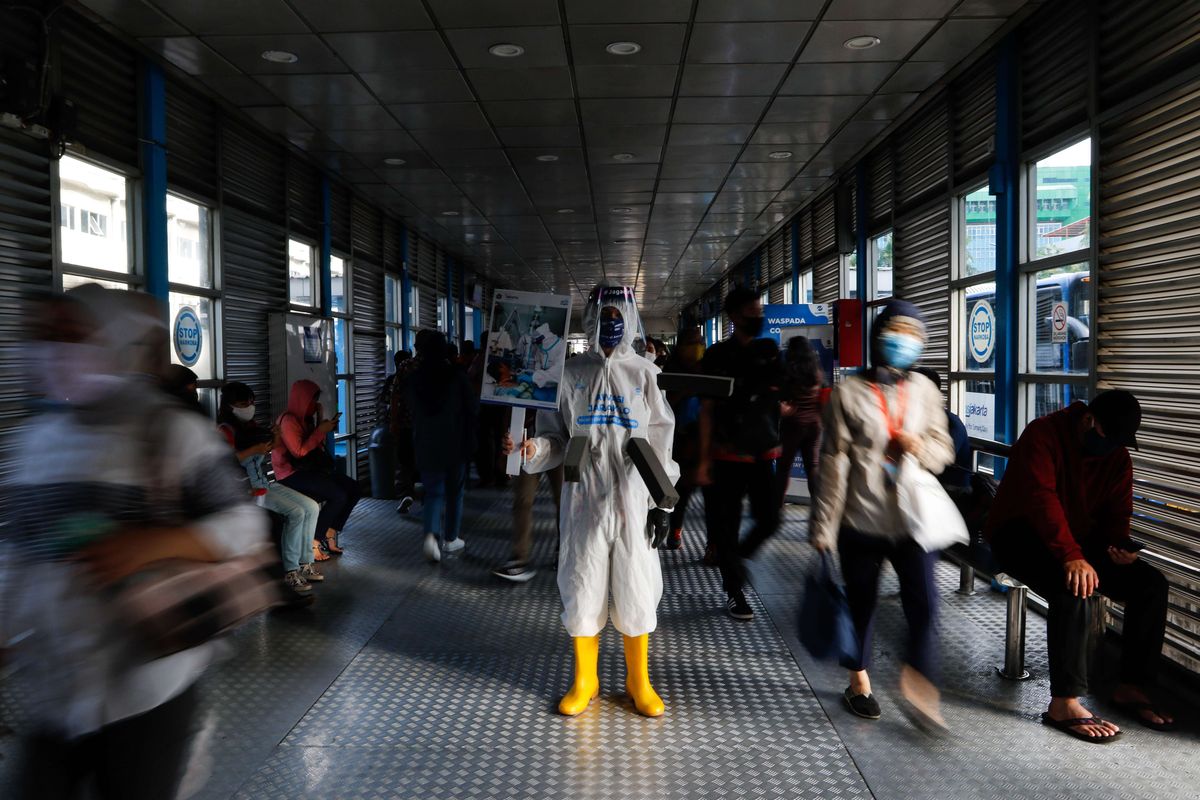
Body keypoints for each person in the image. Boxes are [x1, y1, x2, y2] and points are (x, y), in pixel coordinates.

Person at [4, 286, 266, 799]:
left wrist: (154, 544)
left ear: (112, 341)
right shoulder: (32, 444)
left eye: (72, 335)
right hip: (56, 688)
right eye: (45, 335)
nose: (54, 350)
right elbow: (14, 553)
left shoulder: (169, 432)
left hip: (149, 683)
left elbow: (244, 526)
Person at [510, 284, 678, 717]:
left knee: (636, 585)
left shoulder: (645, 374)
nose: (610, 325)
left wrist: (664, 503)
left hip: (633, 495)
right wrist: (534, 452)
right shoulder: (569, 374)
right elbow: (555, 438)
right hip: (582, 496)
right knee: (581, 582)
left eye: (617, 317)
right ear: (590, 321)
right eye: (604, 316)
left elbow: (661, 442)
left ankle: (638, 679)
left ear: (630, 321)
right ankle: (585, 678)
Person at [987, 390, 1174, 742]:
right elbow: (1041, 499)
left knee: (1151, 585)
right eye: (1109, 437)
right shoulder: (1042, 434)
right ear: (1089, 420)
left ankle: (1131, 686)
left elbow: (1118, 510)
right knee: (1071, 585)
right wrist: (1071, 555)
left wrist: (1117, 545)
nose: (1114, 447)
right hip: (1020, 534)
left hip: (1076, 540)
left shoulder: (1116, 453)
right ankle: (1064, 702)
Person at [810, 299, 955, 730]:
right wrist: (823, 527)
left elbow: (944, 450)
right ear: (878, 336)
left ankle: (920, 683)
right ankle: (859, 682)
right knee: (861, 606)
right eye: (897, 331)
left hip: (912, 521)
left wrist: (918, 446)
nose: (905, 341)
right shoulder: (849, 393)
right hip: (862, 518)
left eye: (914, 334)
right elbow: (832, 462)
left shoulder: (926, 392)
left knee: (925, 605)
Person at [695, 287, 785, 621]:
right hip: (725, 457)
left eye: (760, 310)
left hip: (763, 455)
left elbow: (783, 394)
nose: (758, 316)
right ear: (733, 316)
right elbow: (706, 410)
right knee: (724, 529)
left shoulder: (769, 350)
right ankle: (735, 592)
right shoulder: (717, 356)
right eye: (751, 311)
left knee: (771, 519)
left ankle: (737, 557)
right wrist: (703, 462)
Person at [217, 381, 324, 592]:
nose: (249, 406)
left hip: (265, 482)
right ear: (229, 406)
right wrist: (254, 449)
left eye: (250, 402)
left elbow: (270, 447)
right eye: (242, 403)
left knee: (312, 507)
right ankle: (290, 570)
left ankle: (305, 563)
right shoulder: (224, 431)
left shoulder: (250, 426)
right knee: (295, 513)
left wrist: (274, 437)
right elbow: (225, 461)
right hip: (248, 490)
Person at [408, 329, 478, 563]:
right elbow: (472, 408)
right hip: (455, 443)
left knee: (433, 491)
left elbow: (412, 411)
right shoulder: (457, 376)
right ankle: (450, 539)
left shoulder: (415, 378)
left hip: (426, 444)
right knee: (455, 493)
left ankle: (430, 536)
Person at [273, 379, 362, 560]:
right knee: (338, 495)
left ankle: (329, 534)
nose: (315, 404)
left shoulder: (305, 420)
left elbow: (316, 449)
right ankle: (314, 541)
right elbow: (299, 453)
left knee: (353, 488)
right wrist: (320, 430)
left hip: (308, 471)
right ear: (302, 400)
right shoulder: (288, 420)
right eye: (313, 401)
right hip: (290, 474)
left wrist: (320, 421)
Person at [492, 408, 565, 582]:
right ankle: (519, 558)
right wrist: (506, 455)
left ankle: (563, 549)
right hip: (522, 443)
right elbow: (508, 413)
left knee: (563, 500)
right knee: (522, 501)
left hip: (559, 441)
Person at [661, 326, 706, 551]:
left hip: (705, 438)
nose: (696, 347)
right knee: (681, 489)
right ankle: (674, 530)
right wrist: (688, 389)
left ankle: (714, 544)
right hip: (677, 438)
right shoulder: (671, 369)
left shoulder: (708, 367)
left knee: (710, 493)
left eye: (699, 341)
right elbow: (664, 404)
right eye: (691, 342)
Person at [778, 336, 825, 508]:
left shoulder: (789, 372)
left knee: (784, 467)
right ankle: (818, 507)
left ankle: (777, 507)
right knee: (812, 466)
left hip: (793, 424)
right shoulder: (817, 372)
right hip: (814, 425)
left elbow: (783, 397)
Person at [912, 367, 972, 491]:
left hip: (953, 488)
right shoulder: (921, 420)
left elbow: (938, 462)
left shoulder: (951, 423)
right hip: (933, 484)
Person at [386, 350, 419, 512]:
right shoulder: (444, 365)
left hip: (407, 423)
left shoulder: (407, 366)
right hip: (432, 426)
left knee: (405, 461)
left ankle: (407, 492)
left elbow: (394, 396)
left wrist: (393, 421)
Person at [525, 322, 566, 402]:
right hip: (541, 382)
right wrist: (535, 372)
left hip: (554, 386)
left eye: (537, 342)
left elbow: (556, 373)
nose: (537, 345)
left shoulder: (561, 346)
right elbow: (538, 361)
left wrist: (533, 377)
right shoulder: (541, 347)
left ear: (544, 339)